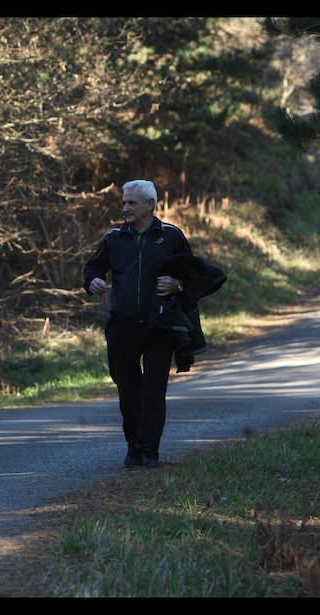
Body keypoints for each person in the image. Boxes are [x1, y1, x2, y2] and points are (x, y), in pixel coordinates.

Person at [83, 179, 193, 469]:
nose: (125, 208)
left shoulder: (171, 236)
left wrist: (178, 284)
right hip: (122, 326)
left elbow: (193, 274)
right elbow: (93, 266)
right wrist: (92, 280)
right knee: (128, 390)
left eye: (131, 202)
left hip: (160, 327)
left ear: (150, 205)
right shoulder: (114, 237)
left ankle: (149, 450)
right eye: (123, 203)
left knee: (153, 391)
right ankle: (133, 447)